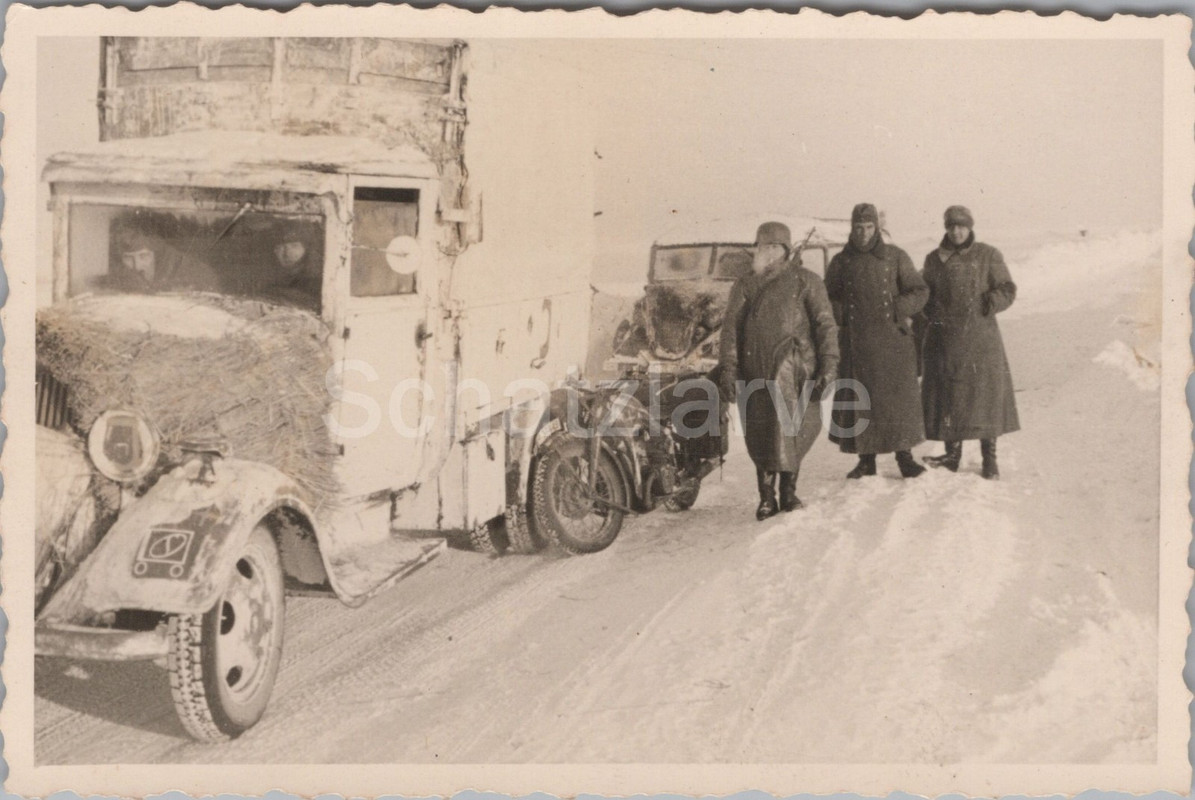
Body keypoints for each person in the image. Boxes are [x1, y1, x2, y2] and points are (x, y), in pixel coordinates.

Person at [719, 221, 839, 521]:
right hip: (756, 370)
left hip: (798, 370)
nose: (768, 252)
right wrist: (729, 370)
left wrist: (829, 364)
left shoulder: (806, 280)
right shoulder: (746, 284)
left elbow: (825, 324)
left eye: (775, 246)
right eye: (763, 246)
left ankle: (789, 492)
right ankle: (766, 497)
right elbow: (730, 330)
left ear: (786, 250)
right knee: (763, 434)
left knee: (793, 432)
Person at [824, 203, 928, 479]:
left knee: (896, 401)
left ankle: (905, 457)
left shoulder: (895, 257)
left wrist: (897, 308)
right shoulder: (841, 262)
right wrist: (843, 313)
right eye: (858, 228)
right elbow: (827, 298)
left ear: (877, 228)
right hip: (857, 343)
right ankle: (865, 459)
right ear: (851, 228)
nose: (863, 233)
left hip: (892, 341)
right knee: (861, 399)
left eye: (869, 227)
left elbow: (919, 290)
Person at [919, 205, 1020, 479]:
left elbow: (1008, 289)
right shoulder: (934, 259)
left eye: (961, 226)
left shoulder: (988, 255)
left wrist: (990, 302)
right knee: (950, 396)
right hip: (946, 339)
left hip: (981, 338)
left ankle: (990, 460)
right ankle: (952, 456)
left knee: (984, 397)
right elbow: (923, 294)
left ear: (970, 226)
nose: (956, 231)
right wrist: (931, 314)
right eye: (951, 226)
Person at [104, 227, 221, 293]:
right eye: (128, 258)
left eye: (144, 256)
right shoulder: (118, 276)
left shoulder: (194, 273)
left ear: (158, 255)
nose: (137, 266)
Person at [261, 221, 322, 310]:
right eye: (281, 247)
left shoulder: (315, 282)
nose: (287, 253)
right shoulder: (270, 279)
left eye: (294, 246)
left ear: (306, 249)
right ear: (274, 251)